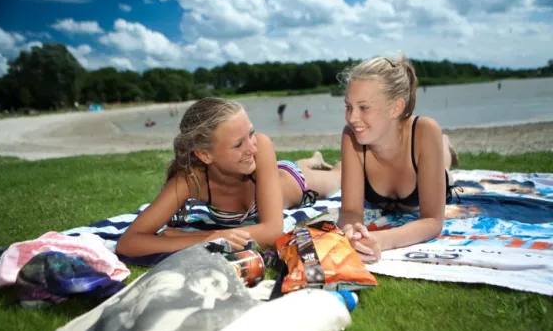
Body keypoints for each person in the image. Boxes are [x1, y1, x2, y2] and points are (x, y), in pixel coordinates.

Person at [117, 97, 341, 257]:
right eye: (237, 144)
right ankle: (313, 159)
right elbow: (129, 243)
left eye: (250, 133)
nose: (251, 147)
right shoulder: (192, 179)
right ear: (205, 155)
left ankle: (313, 161)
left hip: (293, 181)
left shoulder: (260, 147)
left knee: (338, 175)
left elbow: (272, 230)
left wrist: (202, 236)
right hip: (268, 172)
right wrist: (202, 239)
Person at [336, 54, 460, 264]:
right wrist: (352, 231)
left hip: (424, 158)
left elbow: (433, 220)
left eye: (364, 107)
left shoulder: (425, 131)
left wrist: (379, 239)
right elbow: (350, 211)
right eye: (348, 106)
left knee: (444, 166)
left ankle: (444, 146)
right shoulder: (352, 137)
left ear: (396, 108)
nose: (352, 117)